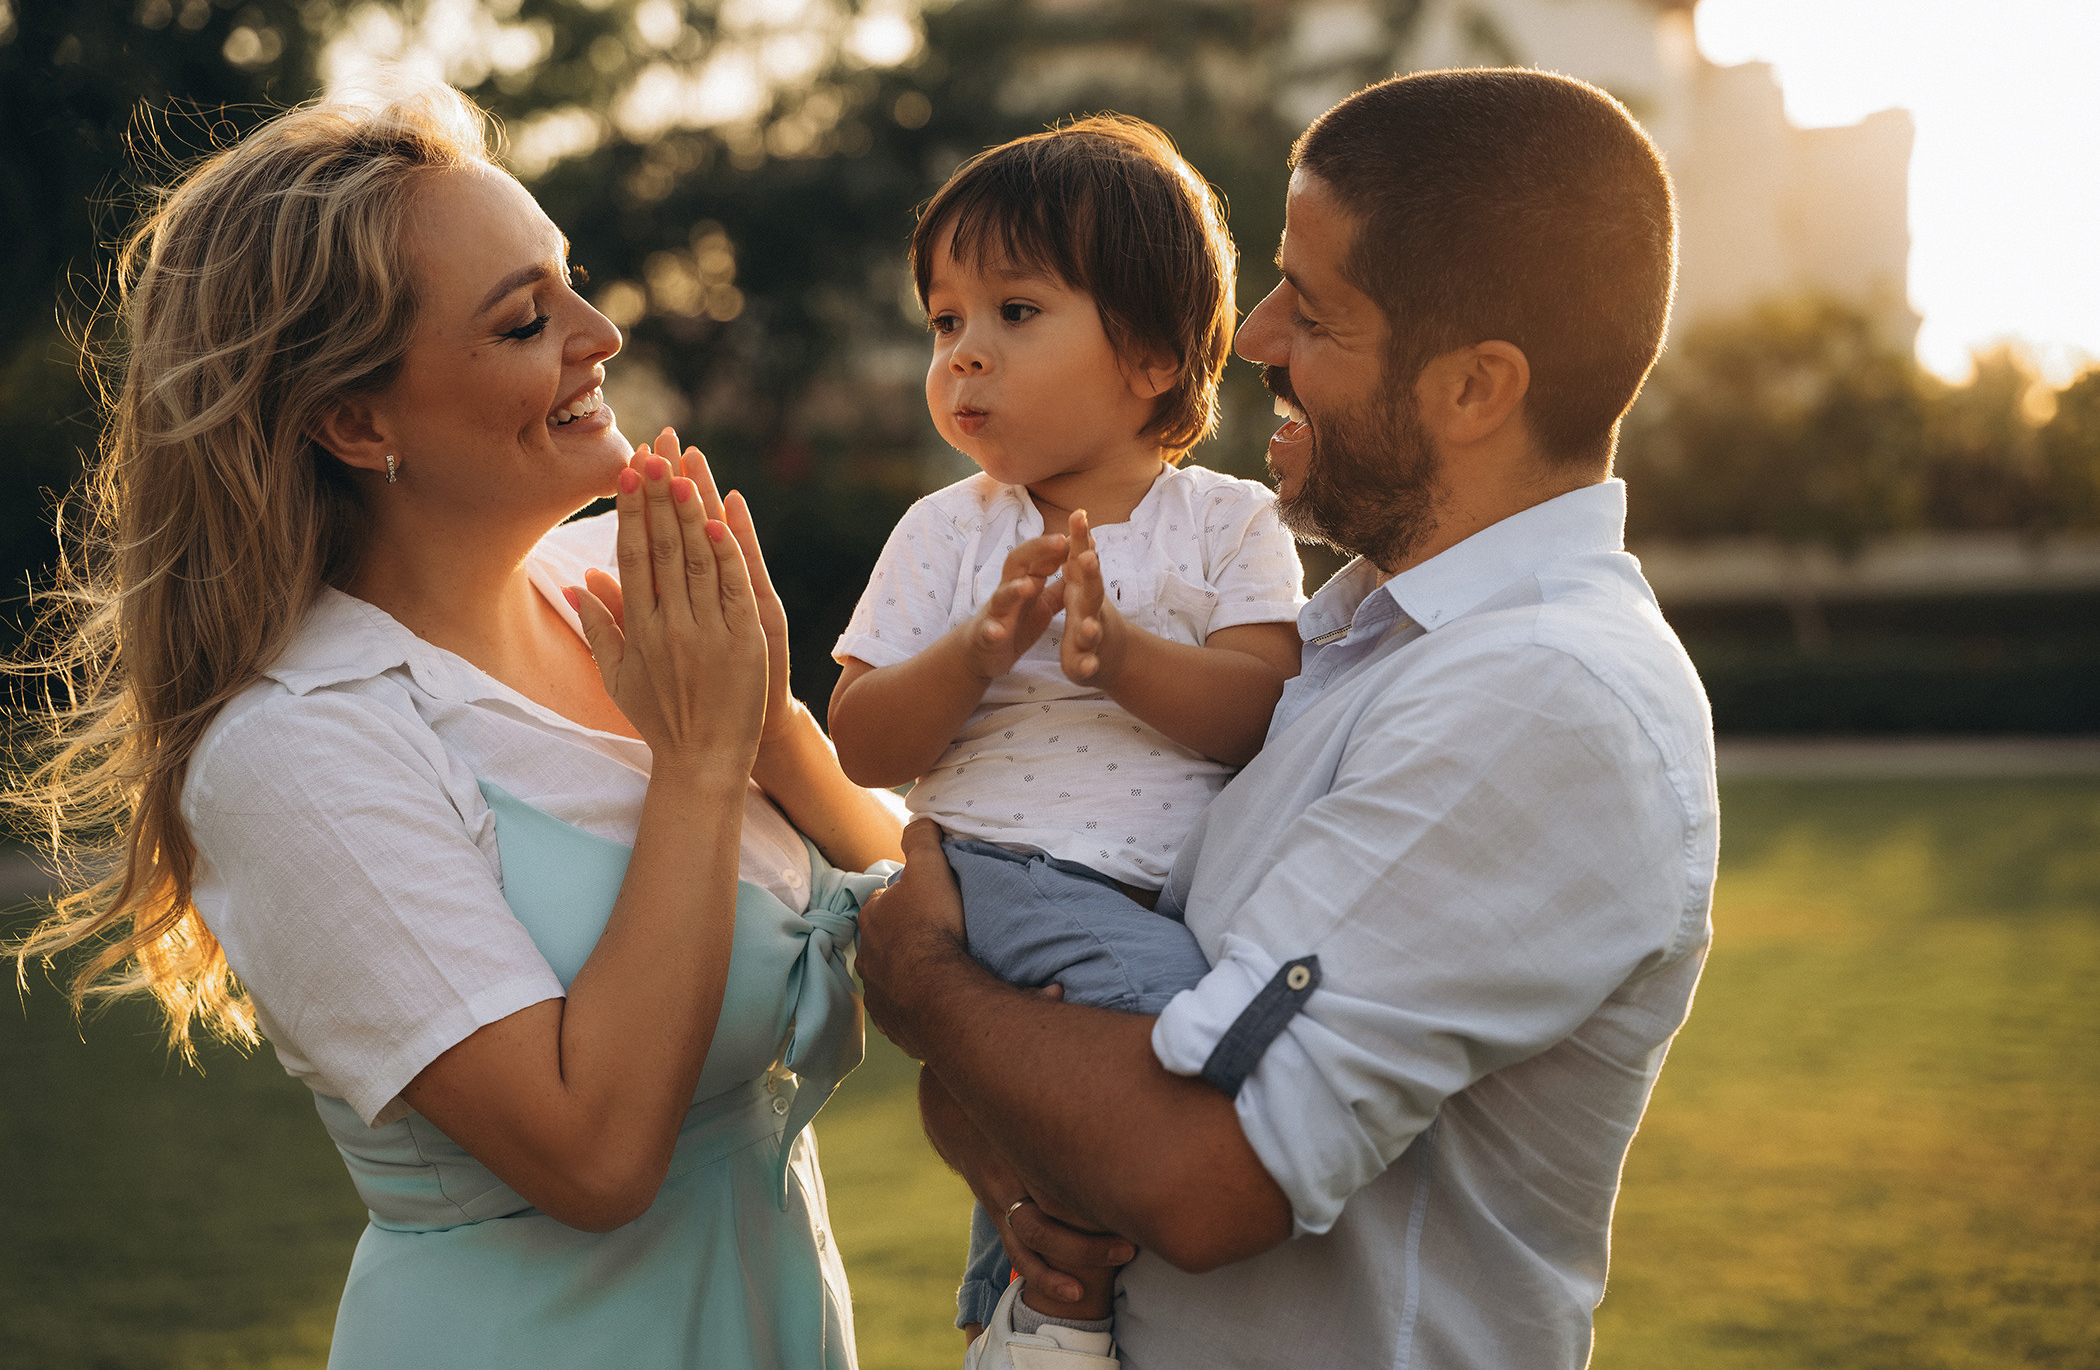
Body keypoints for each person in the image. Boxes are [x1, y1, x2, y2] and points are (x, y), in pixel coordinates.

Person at [3, 84, 904, 1369]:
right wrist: (701, 764)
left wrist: (776, 736)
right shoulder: (296, 748)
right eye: (527, 320)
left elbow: (893, 881)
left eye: (570, 283)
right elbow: (593, 1156)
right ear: (357, 422)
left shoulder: (617, 590)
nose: (600, 334)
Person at [856, 67, 1719, 1370]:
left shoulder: (1540, 694)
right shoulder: (1355, 639)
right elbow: (1057, 1071)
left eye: (1312, 313)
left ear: (1474, 388)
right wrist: (1009, 1139)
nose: (1252, 338)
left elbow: (1206, 1177)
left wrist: (923, 976)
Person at [825, 118, 1304, 1366]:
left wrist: (1123, 659)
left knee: (1050, 1101)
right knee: (1177, 1052)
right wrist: (974, 656)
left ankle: (1030, 1304)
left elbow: (1263, 705)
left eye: (1015, 312)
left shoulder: (1231, 522)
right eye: (944, 322)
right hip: (1010, 869)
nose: (965, 353)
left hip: (1149, 891)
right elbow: (860, 738)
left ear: (1150, 354)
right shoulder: (950, 532)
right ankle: (1052, 1307)